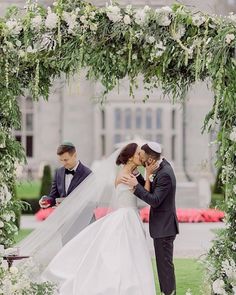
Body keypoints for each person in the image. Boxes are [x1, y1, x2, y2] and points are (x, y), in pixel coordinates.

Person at [42, 143, 157, 295]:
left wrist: (143, 175)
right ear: (130, 158)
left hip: (129, 216)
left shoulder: (133, 174)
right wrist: (149, 173)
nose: (141, 156)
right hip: (126, 217)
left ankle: (131, 286)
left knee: (130, 254)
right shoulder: (126, 176)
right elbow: (146, 194)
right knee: (126, 254)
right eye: (138, 154)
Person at [121, 142, 179, 295]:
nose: (139, 156)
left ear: (150, 157)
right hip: (162, 227)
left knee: (165, 266)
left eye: (141, 154)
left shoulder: (165, 173)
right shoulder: (159, 167)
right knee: (163, 265)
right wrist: (141, 176)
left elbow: (154, 200)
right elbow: (153, 188)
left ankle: (169, 293)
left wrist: (135, 186)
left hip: (164, 228)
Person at [39, 142, 92, 208]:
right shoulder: (58, 172)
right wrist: (46, 201)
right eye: (61, 160)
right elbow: (53, 196)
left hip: (82, 217)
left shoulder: (87, 173)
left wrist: (69, 204)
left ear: (75, 155)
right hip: (63, 216)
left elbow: (89, 200)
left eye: (66, 160)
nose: (63, 163)